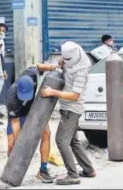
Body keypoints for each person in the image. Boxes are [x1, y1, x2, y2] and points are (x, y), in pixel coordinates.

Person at [41, 41, 96, 185]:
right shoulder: (73, 59)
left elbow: (74, 95)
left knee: (61, 141)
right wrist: (62, 63)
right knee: (73, 141)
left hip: (72, 109)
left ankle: (72, 175)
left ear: (76, 56)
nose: (66, 62)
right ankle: (88, 169)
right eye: (64, 58)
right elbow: (66, 68)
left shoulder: (81, 71)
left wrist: (53, 92)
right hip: (69, 108)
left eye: (68, 60)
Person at [6, 64, 58, 183]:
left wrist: (52, 67)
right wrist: (21, 146)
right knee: (12, 144)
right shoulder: (11, 99)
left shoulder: (31, 74)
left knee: (46, 134)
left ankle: (43, 170)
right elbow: (15, 123)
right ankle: (13, 168)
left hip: (33, 109)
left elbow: (37, 66)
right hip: (18, 114)